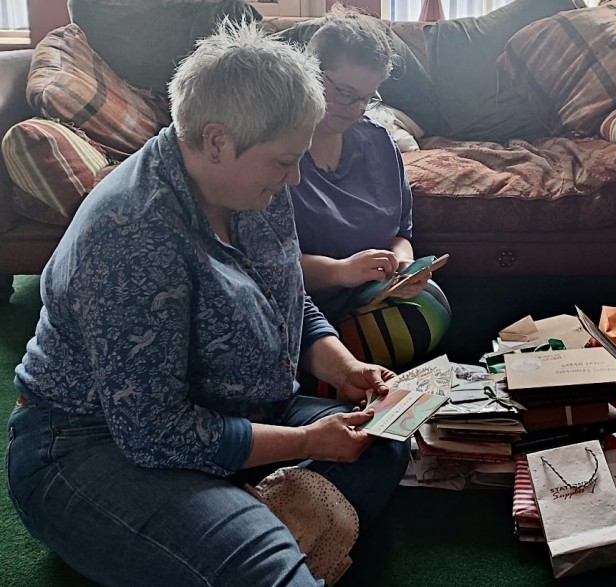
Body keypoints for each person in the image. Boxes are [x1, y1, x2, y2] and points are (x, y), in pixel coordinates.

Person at [5, 21, 409, 586]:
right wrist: (306, 443)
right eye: (282, 161)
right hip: (88, 444)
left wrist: (345, 368)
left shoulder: (251, 185)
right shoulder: (132, 232)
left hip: (233, 412)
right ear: (217, 140)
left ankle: (215, 521)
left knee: (382, 440)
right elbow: (153, 432)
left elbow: (287, 300)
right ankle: (240, 531)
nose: (294, 178)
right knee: (262, 555)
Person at [289, 9, 451, 393]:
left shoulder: (378, 141)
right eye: (345, 93)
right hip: (309, 307)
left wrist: (404, 265)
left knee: (429, 301)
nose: (356, 109)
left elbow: (400, 233)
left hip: (376, 295)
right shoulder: (278, 150)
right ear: (308, 71)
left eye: (367, 97)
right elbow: (264, 264)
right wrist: (342, 271)